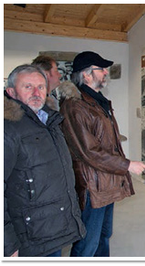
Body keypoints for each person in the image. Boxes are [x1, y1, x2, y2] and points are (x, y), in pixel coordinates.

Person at [58, 51, 145, 257]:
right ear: (87, 75)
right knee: (87, 242)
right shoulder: (75, 106)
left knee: (103, 235)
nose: (106, 72)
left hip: (105, 180)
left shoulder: (97, 101)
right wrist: (127, 165)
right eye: (101, 69)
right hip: (93, 185)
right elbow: (90, 151)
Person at [4, 64, 86, 257]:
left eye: (41, 87)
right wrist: (7, 245)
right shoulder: (8, 130)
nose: (36, 92)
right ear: (11, 92)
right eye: (28, 86)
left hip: (53, 228)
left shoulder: (50, 120)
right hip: (30, 236)